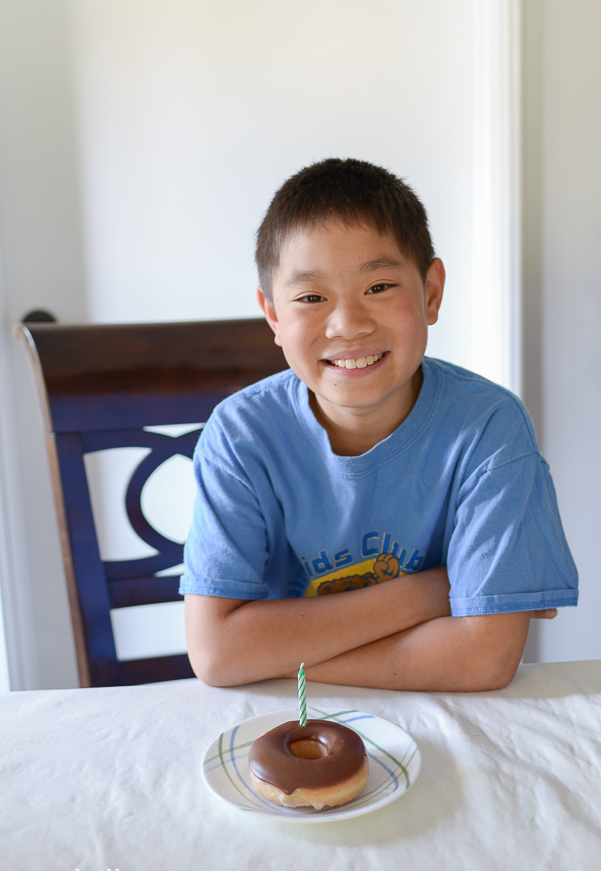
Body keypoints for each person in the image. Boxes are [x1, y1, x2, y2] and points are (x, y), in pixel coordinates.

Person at [181, 158, 578, 691]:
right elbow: (216, 654)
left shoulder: (489, 428)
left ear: (431, 293)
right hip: (283, 722)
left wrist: (272, 655)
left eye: (380, 286)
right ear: (273, 315)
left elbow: (482, 660)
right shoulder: (239, 434)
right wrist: (431, 592)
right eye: (310, 298)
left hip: (439, 721)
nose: (348, 324)